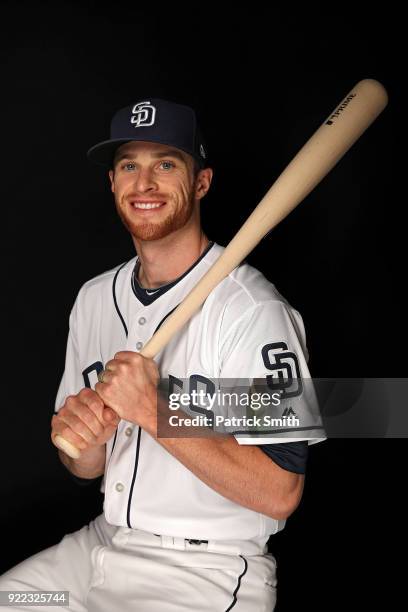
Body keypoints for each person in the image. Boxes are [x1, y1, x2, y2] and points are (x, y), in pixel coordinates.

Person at [0, 98, 325, 611]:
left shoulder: (250, 309)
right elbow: (83, 465)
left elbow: (281, 490)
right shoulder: (93, 299)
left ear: (202, 183)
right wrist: (84, 444)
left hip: (198, 572)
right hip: (99, 547)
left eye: (166, 164)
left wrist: (154, 407)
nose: (144, 183)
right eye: (129, 165)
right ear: (112, 183)